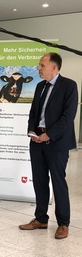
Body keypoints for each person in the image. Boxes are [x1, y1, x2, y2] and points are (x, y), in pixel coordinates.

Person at [19, 52, 78, 239]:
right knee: (39, 180)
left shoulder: (69, 86)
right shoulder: (39, 86)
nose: (39, 68)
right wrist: (32, 132)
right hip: (37, 141)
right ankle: (41, 219)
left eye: (42, 65)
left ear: (54, 67)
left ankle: (63, 224)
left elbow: (68, 117)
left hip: (57, 142)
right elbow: (33, 112)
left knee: (58, 181)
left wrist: (48, 135)